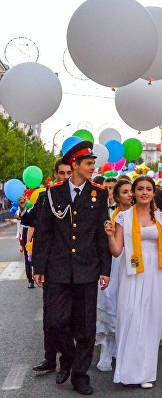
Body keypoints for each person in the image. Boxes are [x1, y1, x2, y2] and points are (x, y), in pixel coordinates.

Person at [32, 141, 111, 395]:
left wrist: (105, 269)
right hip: (58, 269)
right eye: (88, 163)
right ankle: (68, 356)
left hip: (87, 269)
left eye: (93, 163)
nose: (93, 167)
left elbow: (101, 235)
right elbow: (44, 233)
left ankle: (80, 375)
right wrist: (38, 267)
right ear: (75, 165)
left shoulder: (98, 194)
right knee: (55, 321)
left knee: (86, 327)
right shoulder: (53, 193)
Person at [105, 176, 162, 389]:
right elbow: (117, 250)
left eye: (148, 189)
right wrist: (110, 236)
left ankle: (145, 372)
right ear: (134, 193)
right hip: (132, 274)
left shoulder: (161, 218)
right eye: (140, 189)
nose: (144, 193)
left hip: (155, 274)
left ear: (153, 192)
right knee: (131, 318)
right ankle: (127, 372)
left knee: (150, 322)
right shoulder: (123, 218)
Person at [29, 160, 72, 374]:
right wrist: (39, 268)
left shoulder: (79, 196)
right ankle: (49, 357)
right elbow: (35, 226)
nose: (64, 177)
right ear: (55, 175)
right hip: (52, 265)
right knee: (51, 315)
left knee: (69, 316)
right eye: (61, 173)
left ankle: (68, 357)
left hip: (75, 266)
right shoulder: (47, 196)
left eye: (68, 173)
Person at [96, 179, 133, 372]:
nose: (129, 195)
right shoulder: (111, 216)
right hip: (117, 261)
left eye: (131, 191)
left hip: (134, 262)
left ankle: (126, 349)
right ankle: (109, 348)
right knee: (112, 303)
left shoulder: (141, 213)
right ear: (117, 196)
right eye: (125, 192)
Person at [15, 195, 35, 288]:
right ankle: (30, 279)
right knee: (28, 256)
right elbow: (20, 220)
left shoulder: (34, 206)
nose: (25, 198)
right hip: (26, 230)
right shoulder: (21, 207)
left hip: (34, 230)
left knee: (34, 254)